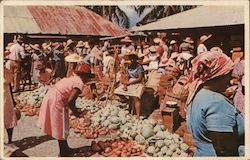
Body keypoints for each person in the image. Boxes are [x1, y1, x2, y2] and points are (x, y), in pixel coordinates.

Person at [186, 48, 244, 156]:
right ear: (219, 76)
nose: (230, 78)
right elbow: (224, 150)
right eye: (228, 74)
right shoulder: (217, 103)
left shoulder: (198, 93)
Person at [37, 64, 95, 157]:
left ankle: (65, 148)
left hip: (53, 96)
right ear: (84, 76)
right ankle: (63, 152)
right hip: (57, 99)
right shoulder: (79, 83)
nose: (87, 80)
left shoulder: (74, 78)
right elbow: (71, 101)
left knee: (60, 125)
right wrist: (76, 112)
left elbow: (72, 98)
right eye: (87, 77)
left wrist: (74, 109)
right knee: (61, 125)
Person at [4, 58, 18, 146]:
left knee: (8, 118)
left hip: (6, 95)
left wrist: (13, 99)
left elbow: (9, 84)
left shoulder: (6, 70)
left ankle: (10, 141)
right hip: (5, 95)